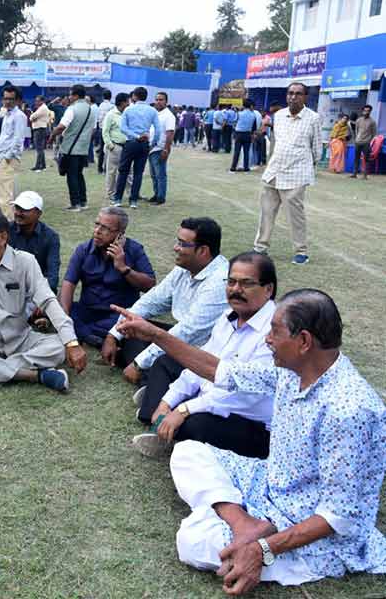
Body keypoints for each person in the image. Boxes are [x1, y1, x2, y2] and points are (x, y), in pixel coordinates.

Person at [113, 289, 386, 594]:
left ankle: (242, 528)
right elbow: (221, 370)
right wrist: (156, 335)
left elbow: (339, 516)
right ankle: (243, 523)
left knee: (193, 541)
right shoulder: (294, 371)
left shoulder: (349, 410)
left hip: (312, 528)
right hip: (269, 484)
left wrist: (263, 550)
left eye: (275, 331)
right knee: (188, 451)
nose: (267, 339)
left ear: (304, 341)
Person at [131, 251, 277, 457]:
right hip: (210, 397)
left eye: (246, 283)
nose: (236, 289)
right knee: (165, 362)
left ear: (268, 289)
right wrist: (168, 402)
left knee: (196, 423)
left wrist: (184, 409)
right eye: (232, 282)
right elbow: (198, 365)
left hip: (250, 421)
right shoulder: (229, 317)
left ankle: (163, 422)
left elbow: (244, 396)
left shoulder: (274, 333)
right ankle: (158, 410)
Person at [0, 211, 87, 393]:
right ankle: (36, 375)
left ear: (2, 237)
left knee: (59, 347)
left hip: (20, 339)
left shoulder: (26, 262)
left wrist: (72, 343)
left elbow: (48, 301)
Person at [101, 217, 229, 386]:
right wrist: (114, 334)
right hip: (180, 338)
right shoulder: (183, 269)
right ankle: (152, 379)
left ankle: (152, 382)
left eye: (182, 244)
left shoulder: (219, 282)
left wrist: (138, 364)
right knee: (133, 329)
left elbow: (188, 333)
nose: (175, 248)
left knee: (166, 361)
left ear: (203, 251)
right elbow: (151, 301)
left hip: (204, 349)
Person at [60, 207, 154, 347]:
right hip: (87, 310)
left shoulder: (134, 250)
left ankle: (84, 334)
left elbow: (150, 285)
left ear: (120, 234)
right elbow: (69, 283)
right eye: (97, 224)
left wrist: (123, 268)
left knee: (130, 321)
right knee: (59, 305)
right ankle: (93, 336)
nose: (97, 231)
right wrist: (65, 317)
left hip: (118, 314)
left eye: (105, 228)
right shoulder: (83, 249)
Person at [253, 83, 321, 265]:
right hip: (274, 171)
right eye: (290, 93)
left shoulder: (313, 118)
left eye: (298, 94)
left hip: (296, 174)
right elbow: (275, 143)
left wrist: (305, 166)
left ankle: (301, 251)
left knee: (295, 216)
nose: (293, 97)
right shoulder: (279, 116)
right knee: (266, 212)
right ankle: (260, 247)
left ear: (305, 97)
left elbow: (316, 150)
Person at [50, 85, 96, 212]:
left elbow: (61, 127)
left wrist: (52, 136)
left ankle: (75, 204)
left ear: (75, 95)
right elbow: (93, 129)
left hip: (71, 147)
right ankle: (83, 201)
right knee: (79, 174)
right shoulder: (91, 109)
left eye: (70, 95)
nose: (69, 97)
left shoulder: (72, 109)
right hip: (83, 148)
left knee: (72, 176)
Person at [114, 87, 161, 209]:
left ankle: (118, 199)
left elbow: (123, 128)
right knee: (138, 173)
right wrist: (152, 143)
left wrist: (136, 136)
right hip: (144, 144)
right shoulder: (152, 111)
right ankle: (133, 200)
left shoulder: (128, 110)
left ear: (134, 96)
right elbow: (158, 130)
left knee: (123, 171)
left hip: (131, 143)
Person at [8, 191, 60, 294]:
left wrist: (43, 298)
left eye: (24, 210)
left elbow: (52, 275)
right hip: (9, 289)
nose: (18, 213)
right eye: (17, 208)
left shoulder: (51, 237)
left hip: (38, 290)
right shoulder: (5, 231)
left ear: (38, 213)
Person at [0, 86, 28, 218]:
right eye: (5, 98)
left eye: (11, 99)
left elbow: (18, 139)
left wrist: (7, 156)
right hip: (3, 155)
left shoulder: (19, 116)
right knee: (3, 190)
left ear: (18, 100)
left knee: (6, 193)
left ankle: (8, 222)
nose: (7, 102)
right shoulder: (7, 113)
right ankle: (7, 218)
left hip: (9, 157)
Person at [148, 91, 176, 205]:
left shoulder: (169, 115)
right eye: (157, 99)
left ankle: (161, 197)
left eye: (161, 99)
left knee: (160, 175)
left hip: (160, 148)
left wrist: (166, 149)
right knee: (153, 174)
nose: (158, 102)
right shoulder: (154, 113)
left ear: (166, 101)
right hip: (151, 149)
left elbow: (170, 133)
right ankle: (156, 194)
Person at [102, 93, 130, 204]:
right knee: (112, 171)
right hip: (115, 147)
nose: (129, 103)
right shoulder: (111, 114)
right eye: (127, 101)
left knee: (128, 171)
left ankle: (130, 193)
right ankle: (111, 194)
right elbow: (105, 132)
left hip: (127, 147)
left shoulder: (127, 114)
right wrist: (110, 146)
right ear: (122, 102)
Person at [350, 104, 377, 180]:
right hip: (358, 142)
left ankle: (365, 175)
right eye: (365, 110)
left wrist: (369, 141)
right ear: (362, 111)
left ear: (370, 112)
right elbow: (356, 130)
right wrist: (356, 139)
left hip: (366, 143)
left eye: (368, 111)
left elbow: (374, 133)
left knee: (366, 159)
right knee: (356, 158)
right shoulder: (359, 120)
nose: (366, 112)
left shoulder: (372, 122)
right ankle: (354, 174)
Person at [230, 102, 258, 173]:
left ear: (243, 106)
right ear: (250, 106)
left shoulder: (239, 113)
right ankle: (246, 169)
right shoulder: (253, 115)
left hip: (239, 133)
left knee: (237, 152)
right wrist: (252, 135)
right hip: (248, 134)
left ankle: (233, 169)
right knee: (246, 152)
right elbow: (254, 127)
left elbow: (234, 121)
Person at [30, 95, 51, 172]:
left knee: (39, 148)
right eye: (36, 100)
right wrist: (32, 118)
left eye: (38, 100)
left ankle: (38, 166)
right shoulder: (42, 108)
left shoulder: (43, 108)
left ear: (42, 101)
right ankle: (43, 165)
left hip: (39, 129)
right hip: (40, 128)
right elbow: (33, 117)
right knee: (40, 148)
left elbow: (32, 116)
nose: (36, 102)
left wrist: (32, 118)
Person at [94, 89, 114, 173]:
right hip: (109, 130)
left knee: (102, 149)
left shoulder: (100, 105)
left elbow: (98, 118)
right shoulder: (112, 106)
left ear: (103, 97)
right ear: (110, 97)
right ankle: (106, 168)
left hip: (101, 129)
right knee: (108, 149)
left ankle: (99, 168)